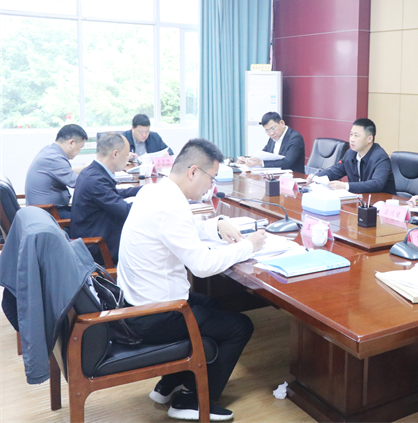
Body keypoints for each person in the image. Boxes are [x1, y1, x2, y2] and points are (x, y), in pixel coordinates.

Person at [118, 138, 266, 421]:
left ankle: (169, 384)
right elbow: (202, 265)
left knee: (212, 304)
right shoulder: (170, 206)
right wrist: (249, 246)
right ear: (193, 171)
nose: (211, 186)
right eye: (211, 178)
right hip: (155, 316)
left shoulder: (156, 191)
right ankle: (194, 400)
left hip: (137, 304)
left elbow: (184, 229)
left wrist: (217, 225)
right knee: (240, 326)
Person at [70, 132, 142, 266]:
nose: (128, 159)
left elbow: (112, 194)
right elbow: (126, 211)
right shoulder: (96, 180)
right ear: (115, 154)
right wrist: (153, 203)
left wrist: (142, 190)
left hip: (97, 233)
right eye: (126, 154)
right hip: (99, 247)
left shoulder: (92, 171)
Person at [306, 118, 396, 194]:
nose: (352, 139)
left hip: (380, 203)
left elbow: (377, 184)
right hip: (358, 200)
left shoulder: (380, 157)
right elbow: (335, 171)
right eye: (351, 134)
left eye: (356, 136)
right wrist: (316, 177)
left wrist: (345, 186)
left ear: (369, 139)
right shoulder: (350, 153)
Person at [25, 124, 88, 219]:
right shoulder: (55, 158)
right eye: (80, 147)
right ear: (71, 143)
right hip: (49, 213)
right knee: (94, 218)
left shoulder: (49, 151)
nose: (79, 151)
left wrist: (89, 168)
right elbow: (79, 183)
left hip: (44, 210)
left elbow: (68, 171)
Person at [237, 112, 305, 173]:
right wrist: (247, 160)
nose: (271, 133)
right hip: (274, 176)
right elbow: (263, 154)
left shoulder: (295, 138)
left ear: (282, 123)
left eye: (273, 128)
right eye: (267, 131)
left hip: (293, 177)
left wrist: (261, 163)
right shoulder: (273, 138)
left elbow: (287, 163)